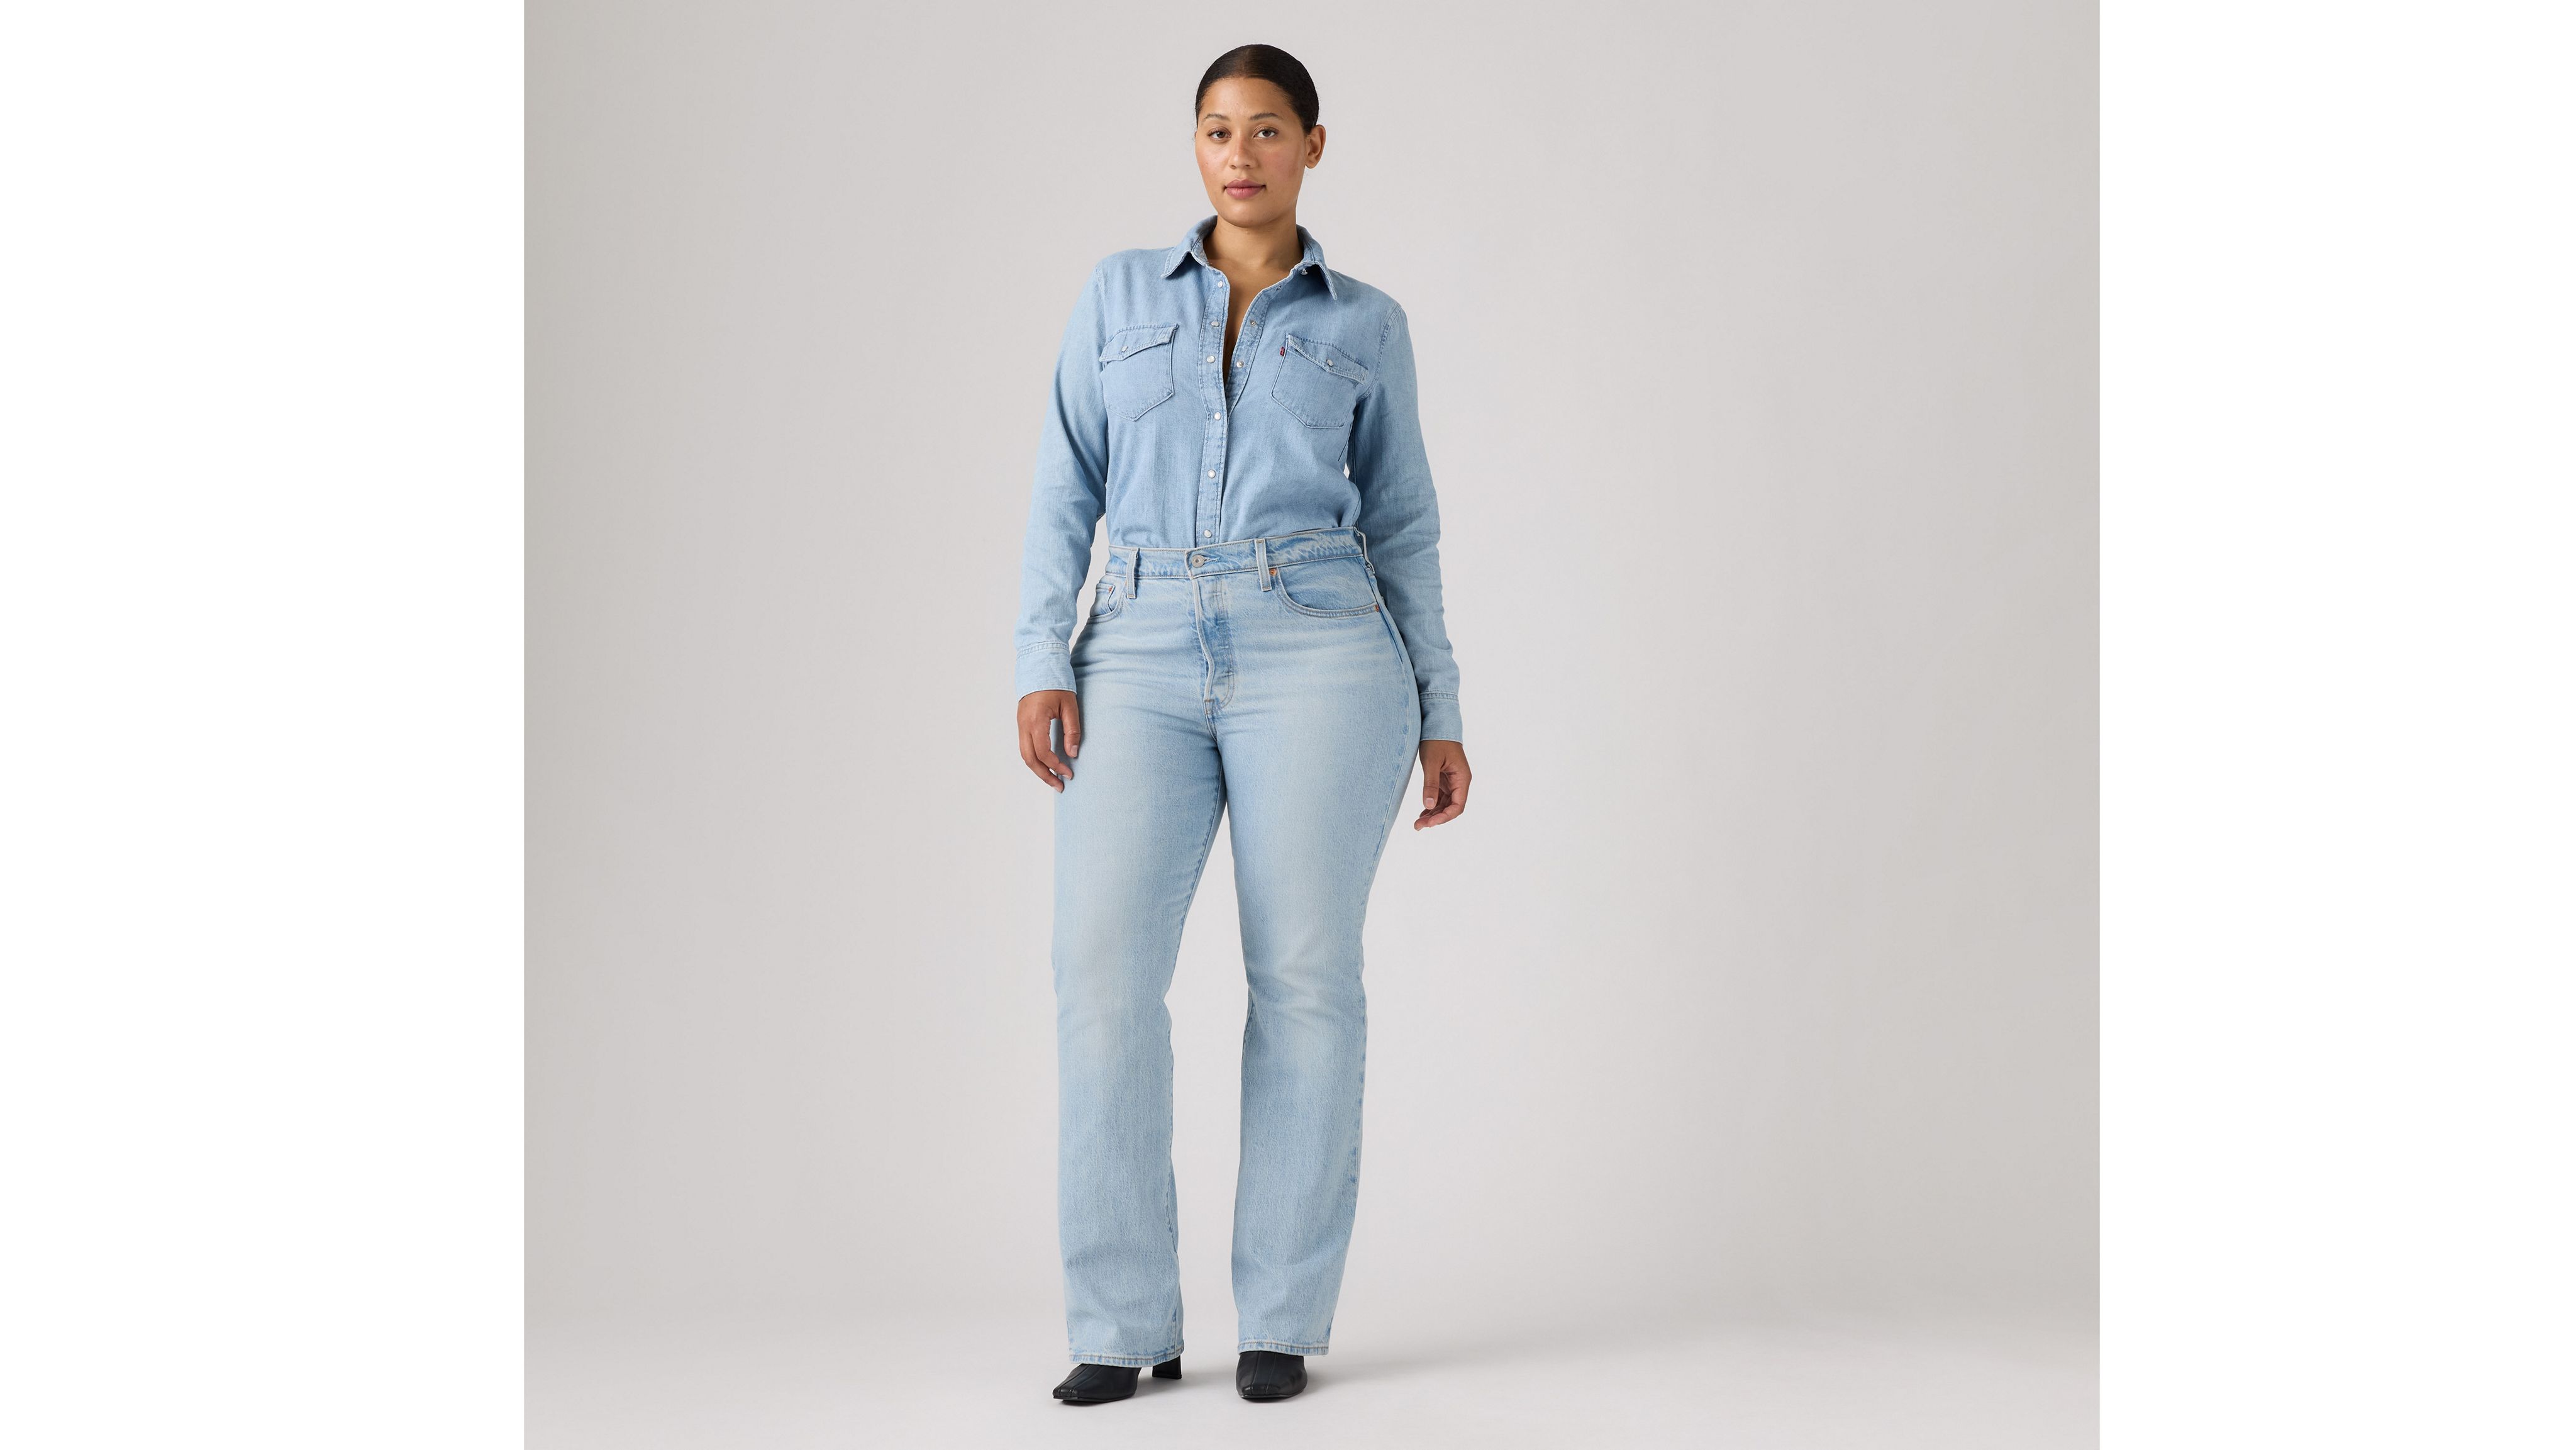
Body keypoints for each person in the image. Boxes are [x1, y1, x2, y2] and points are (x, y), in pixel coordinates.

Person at [1013, 43, 1472, 1406]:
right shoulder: (1117, 294)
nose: (1240, 153)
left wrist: (1442, 706)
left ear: (1311, 147)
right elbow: (1064, 485)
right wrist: (1041, 656)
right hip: (1137, 642)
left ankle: (1280, 1314)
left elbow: (1403, 524)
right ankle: (1120, 1323)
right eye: (1217, 129)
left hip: (1320, 647)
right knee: (1101, 977)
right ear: (1196, 146)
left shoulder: (1365, 323)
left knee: (1305, 979)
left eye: (1267, 129)